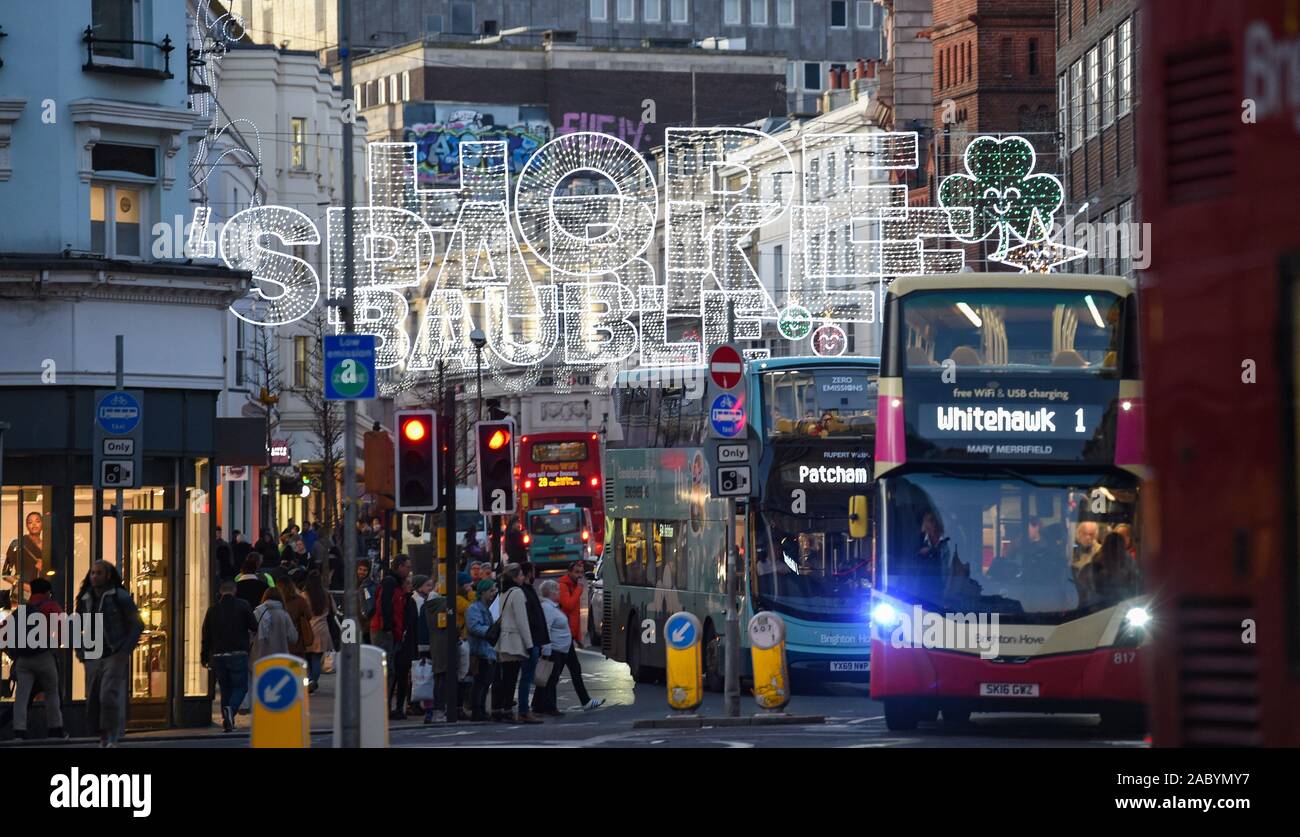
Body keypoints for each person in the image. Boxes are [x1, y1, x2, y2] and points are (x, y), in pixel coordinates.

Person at [75, 560, 144, 748]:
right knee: (94, 697)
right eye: (92, 573)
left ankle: (112, 735)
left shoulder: (119, 595)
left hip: (114, 652)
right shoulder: (85, 598)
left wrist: (124, 651)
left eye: (98, 573)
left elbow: (137, 624)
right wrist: (81, 652)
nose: (94, 576)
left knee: (108, 695)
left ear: (107, 575)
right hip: (93, 654)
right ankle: (103, 734)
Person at [9, 578, 68, 739]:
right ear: (48, 592)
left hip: (24, 659)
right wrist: (55, 645)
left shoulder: (22, 610)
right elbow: (63, 627)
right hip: (44, 656)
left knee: (22, 696)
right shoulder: (51, 606)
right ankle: (55, 729)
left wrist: (13, 653)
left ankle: (19, 730)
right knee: (52, 692)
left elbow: (4, 631)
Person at [201, 579, 257, 731]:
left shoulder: (212, 609)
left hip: (218, 655)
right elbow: (254, 625)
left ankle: (228, 721)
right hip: (238, 653)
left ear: (220, 591)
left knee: (225, 688)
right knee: (241, 686)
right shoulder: (243, 605)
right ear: (235, 590)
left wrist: (204, 656)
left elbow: (206, 635)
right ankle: (231, 710)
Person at [492, 563, 540, 723]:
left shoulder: (504, 592)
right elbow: (522, 621)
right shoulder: (518, 593)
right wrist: (529, 644)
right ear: (514, 577)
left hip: (504, 640)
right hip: (514, 641)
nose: (522, 577)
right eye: (520, 575)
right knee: (512, 679)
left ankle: (501, 709)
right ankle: (510, 710)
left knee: (506, 677)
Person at [556, 561, 603, 710]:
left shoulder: (574, 587)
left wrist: (578, 638)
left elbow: (575, 616)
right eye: (576, 572)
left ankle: (540, 703)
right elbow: (568, 605)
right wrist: (579, 591)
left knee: (565, 671)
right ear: (569, 572)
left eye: (581, 573)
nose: (579, 576)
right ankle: (585, 701)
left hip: (568, 636)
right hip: (562, 636)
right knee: (561, 671)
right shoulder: (564, 586)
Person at [371, 555, 412, 718]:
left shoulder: (394, 583)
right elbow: (385, 604)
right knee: (387, 670)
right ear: (400, 566)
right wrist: (388, 626)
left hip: (389, 630)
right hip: (384, 631)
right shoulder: (390, 582)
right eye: (407, 567)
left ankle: (384, 706)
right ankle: (382, 707)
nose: (409, 571)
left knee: (389, 670)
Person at [515, 561, 550, 721]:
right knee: (527, 677)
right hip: (531, 641)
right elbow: (528, 619)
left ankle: (526, 709)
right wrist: (532, 643)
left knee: (528, 677)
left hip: (535, 640)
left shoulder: (528, 590)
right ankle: (524, 710)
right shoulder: (522, 592)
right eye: (531, 571)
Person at [465, 579, 498, 721]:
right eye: (491, 590)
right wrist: (490, 631)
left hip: (487, 651)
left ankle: (482, 709)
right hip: (479, 651)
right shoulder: (475, 608)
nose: (493, 593)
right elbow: (474, 627)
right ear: (483, 592)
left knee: (485, 682)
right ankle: (476, 710)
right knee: (479, 682)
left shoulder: (484, 607)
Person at [303, 570, 334, 692]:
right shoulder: (326, 595)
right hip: (322, 630)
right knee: (316, 659)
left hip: (307, 629)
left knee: (307, 658)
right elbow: (334, 611)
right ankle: (313, 681)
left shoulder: (304, 595)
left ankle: (309, 680)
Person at [4, 511, 45, 594]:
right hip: (21, 593)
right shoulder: (16, 544)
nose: (34, 524)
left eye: (37, 521)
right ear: (26, 526)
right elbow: (5, 574)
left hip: (41, 592)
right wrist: (25, 587)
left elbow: (53, 573)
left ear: (42, 524)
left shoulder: (47, 546)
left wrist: (44, 569)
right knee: (22, 607)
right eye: (30, 522)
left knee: (41, 607)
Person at [252, 588, 297, 660]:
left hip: (260, 658)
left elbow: (250, 635)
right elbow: (293, 638)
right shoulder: (284, 614)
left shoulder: (257, 612)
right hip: (280, 657)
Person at [356, 558, 376, 644]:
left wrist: (365, 616)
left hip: (365, 625)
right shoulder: (356, 584)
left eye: (365, 570)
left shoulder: (368, 587)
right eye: (360, 569)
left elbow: (369, 606)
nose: (362, 572)